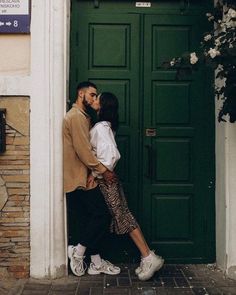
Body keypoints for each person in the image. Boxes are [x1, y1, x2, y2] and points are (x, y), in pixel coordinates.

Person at [89, 92, 164, 281]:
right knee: (123, 216)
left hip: (105, 181)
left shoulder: (100, 127)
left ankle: (147, 256)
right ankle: (148, 256)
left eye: (97, 98)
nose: (94, 100)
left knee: (123, 217)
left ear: (104, 105)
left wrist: (97, 174)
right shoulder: (107, 126)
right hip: (108, 179)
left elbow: (111, 155)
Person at [63, 82, 120, 277]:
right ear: (81, 93)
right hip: (79, 179)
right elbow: (84, 151)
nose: (95, 99)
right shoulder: (77, 117)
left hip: (84, 177)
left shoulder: (84, 117)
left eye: (96, 97)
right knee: (102, 216)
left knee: (90, 219)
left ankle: (95, 262)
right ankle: (77, 252)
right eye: (92, 95)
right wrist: (103, 171)